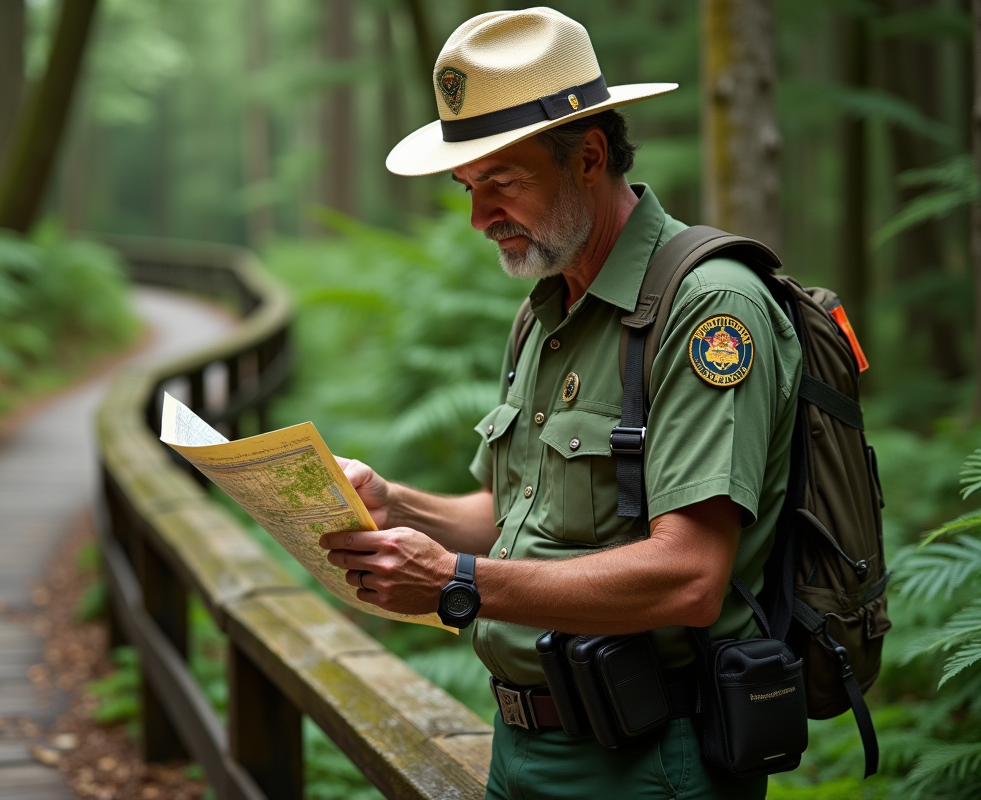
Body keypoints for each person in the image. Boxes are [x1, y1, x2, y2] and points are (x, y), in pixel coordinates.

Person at [318, 8, 801, 799]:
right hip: (520, 749)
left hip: (649, 763)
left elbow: (690, 576)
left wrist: (458, 582)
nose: (479, 218)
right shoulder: (547, 307)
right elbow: (511, 512)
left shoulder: (708, 310)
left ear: (589, 157)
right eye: (468, 188)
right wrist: (391, 503)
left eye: (501, 183)